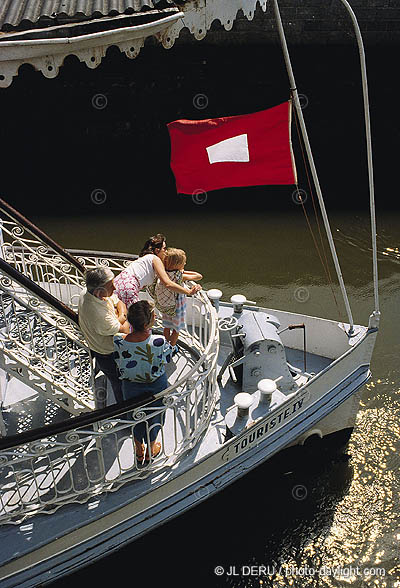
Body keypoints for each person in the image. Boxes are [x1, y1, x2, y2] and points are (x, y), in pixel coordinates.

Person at [114, 300, 172, 463]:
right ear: (150, 320)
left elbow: (118, 360)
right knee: (155, 414)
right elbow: (168, 357)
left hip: (130, 386)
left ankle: (139, 450)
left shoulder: (118, 341)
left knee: (134, 415)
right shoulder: (158, 341)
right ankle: (151, 448)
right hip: (155, 385)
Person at [78, 267, 130, 405]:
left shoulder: (89, 292)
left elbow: (119, 302)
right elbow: (125, 329)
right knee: (117, 381)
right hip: (107, 352)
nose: (115, 287)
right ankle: (124, 409)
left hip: (99, 343)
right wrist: (122, 315)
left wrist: (120, 316)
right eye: (111, 285)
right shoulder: (99, 314)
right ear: (99, 291)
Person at [113, 233, 201, 308]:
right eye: (164, 248)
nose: (165, 252)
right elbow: (167, 283)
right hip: (128, 287)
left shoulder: (145, 258)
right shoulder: (155, 259)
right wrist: (189, 292)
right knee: (136, 318)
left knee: (118, 311)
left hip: (118, 282)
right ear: (157, 250)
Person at [154, 248, 202, 348]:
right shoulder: (180, 276)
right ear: (177, 265)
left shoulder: (162, 272)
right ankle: (171, 347)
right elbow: (198, 276)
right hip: (177, 306)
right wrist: (182, 272)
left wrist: (181, 270)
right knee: (176, 329)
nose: (185, 264)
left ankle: (166, 344)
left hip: (166, 305)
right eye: (183, 263)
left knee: (166, 326)